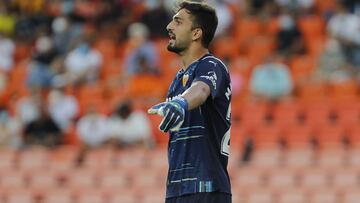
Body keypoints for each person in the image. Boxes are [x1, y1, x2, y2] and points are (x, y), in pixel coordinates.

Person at [147, 2, 232, 203]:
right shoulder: (177, 80)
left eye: (177, 21)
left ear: (196, 34)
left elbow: (201, 90)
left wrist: (181, 104)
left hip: (206, 187)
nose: (169, 26)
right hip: (178, 190)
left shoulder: (212, 65)